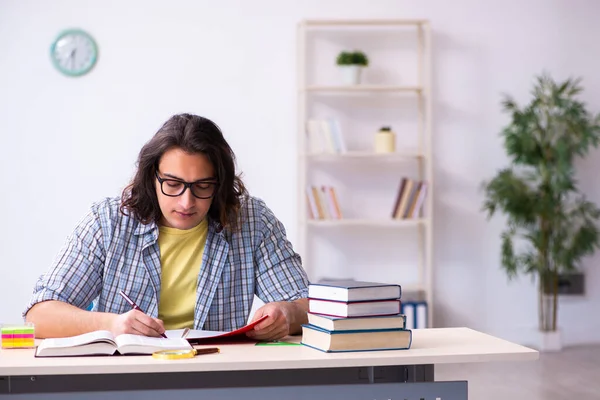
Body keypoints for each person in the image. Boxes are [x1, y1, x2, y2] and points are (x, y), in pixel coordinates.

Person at [24, 113, 310, 341]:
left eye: (202, 186)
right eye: (173, 184)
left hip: (218, 378)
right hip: (125, 379)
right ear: (152, 178)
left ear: (219, 184)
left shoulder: (251, 220)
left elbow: (312, 307)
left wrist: (289, 313)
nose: (187, 202)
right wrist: (111, 324)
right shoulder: (107, 221)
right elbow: (39, 315)